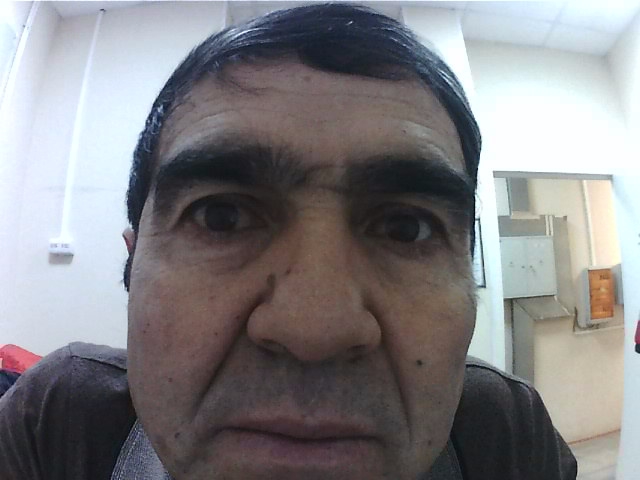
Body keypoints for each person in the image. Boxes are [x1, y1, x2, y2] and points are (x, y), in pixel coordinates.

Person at [0, 4, 577, 479]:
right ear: (133, 268)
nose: (313, 331)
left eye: (407, 227)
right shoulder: (57, 420)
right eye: (221, 217)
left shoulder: (504, 431)